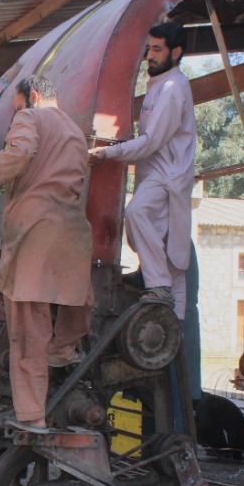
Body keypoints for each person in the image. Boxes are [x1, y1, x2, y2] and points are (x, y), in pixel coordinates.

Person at [0, 76, 92, 428]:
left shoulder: (31, 117)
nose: (16, 113)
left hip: (35, 235)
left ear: (33, 96)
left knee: (26, 333)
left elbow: (19, 155)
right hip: (71, 235)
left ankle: (31, 418)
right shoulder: (74, 131)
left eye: (17, 105)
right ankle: (61, 351)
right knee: (74, 309)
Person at [89, 21, 196, 320]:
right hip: (156, 175)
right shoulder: (159, 85)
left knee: (137, 213)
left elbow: (149, 143)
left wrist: (108, 153)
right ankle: (154, 282)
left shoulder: (174, 88)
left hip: (168, 177)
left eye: (157, 49)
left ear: (176, 52)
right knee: (161, 247)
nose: (150, 55)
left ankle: (159, 286)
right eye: (149, 48)